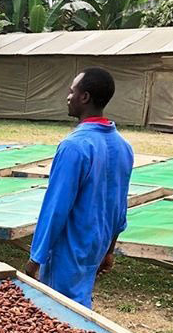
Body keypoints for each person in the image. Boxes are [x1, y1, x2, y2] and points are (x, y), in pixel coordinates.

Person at [24, 67, 133, 309]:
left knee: (59, 315)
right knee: (79, 309)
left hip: (68, 251)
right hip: (95, 247)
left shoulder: (74, 147)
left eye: (72, 91)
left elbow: (56, 209)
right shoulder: (123, 146)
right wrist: (109, 250)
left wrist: (35, 259)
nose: (68, 97)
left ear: (84, 97)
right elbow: (119, 208)